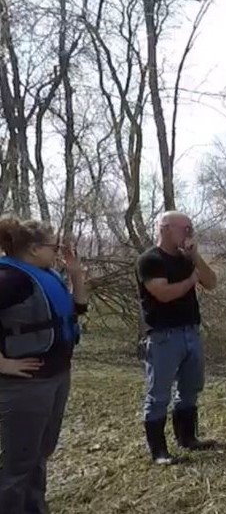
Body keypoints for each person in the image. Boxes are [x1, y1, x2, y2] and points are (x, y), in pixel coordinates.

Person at [0, 216, 88, 513]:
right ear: (35, 249)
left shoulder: (45, 275)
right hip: (27, 385)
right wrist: (3, 364)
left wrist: (75, 274)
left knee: (39, 455)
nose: (58, 252)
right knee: (18, 464)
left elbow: (79, 308)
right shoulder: (11, 280)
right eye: (54, 247)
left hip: (56, 377)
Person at [136, 211, 218, 465]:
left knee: (190, 389)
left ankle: (187, 437)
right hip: (163, 336)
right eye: (186, 228)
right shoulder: (150, 260)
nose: (189, 232)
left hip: (190, 331)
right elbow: (163, 293)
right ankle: (159, 451)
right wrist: (191, 279)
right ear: (166, 229)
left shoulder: (186, 259)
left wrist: (195, 258)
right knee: (159, 395)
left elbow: (212, 282)